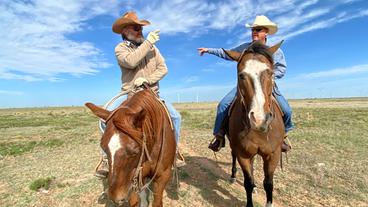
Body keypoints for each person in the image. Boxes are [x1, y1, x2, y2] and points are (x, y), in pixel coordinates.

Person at [95, 11, 184, 178]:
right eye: (136, 28)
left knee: (176, 117)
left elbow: (163, 68)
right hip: (129, 94)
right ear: (124, 31)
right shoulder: (120, 49)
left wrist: (147, 79)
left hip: (151, 94)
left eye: (140, 28)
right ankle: (106, 159)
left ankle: (175, 151)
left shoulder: (152, 48)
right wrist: (148, 42)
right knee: (103, 120)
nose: (140, 31)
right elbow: (130, 61)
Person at [197, 15, 294, 153]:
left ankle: (283, 135)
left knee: (287, 110)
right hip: (247, 84)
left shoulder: (275, 51)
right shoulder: (244, 48)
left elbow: (282, 68)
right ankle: (219, 136)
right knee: (223, 105)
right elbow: (227, 53)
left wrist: (270, 77)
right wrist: (209, 50)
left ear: (266, 32)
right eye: (253, 29)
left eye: (258, 29)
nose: (254, 32)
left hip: (267, 84)